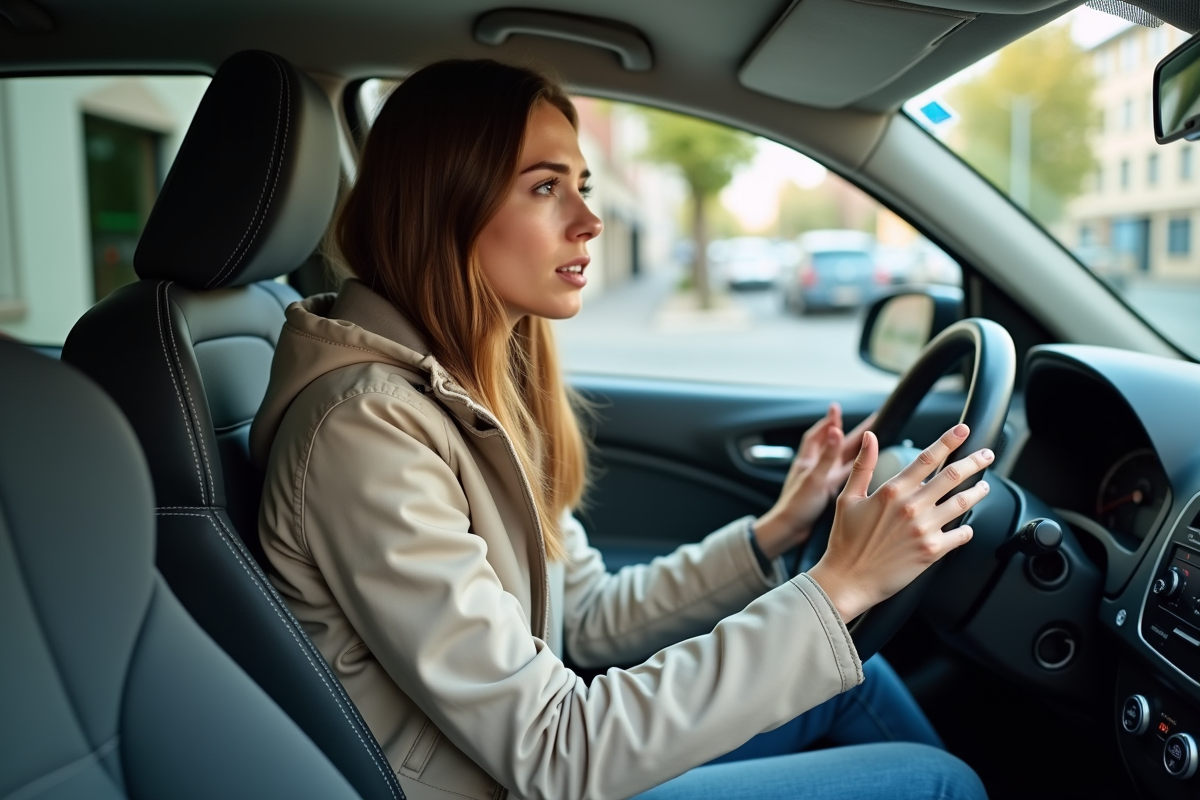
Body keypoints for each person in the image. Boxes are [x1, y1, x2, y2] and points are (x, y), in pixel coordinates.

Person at [250, 59, 991, 800]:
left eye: (583, 185)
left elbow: (589, 616)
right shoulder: (366, 430)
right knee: (939, 783)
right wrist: (841, 585)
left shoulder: (471, 389)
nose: (589, 221)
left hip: (519, 765)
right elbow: (556, 750)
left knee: (858, 679)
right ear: (443, 203)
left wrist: (773, 532)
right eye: (545, 187)